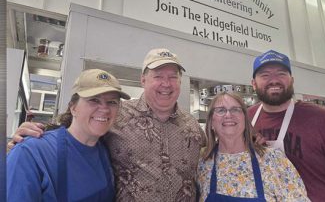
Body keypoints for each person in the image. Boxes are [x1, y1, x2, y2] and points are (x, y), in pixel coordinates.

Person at [8, 48, 206, 202]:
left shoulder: (193, 127)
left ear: (180, 82)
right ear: (143, 80)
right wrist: (28, 137)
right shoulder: (119, 114)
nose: (166, 83)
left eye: (173, 77)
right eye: (158, 77)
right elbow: (75, 128)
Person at [248, 50, 325, 202]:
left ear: (292, 80)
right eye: (265, 75)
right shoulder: (245, 119)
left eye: (281, 74)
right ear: (253, 83)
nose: (274, 80)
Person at [7, 69, 131, 201]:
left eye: (112, 102)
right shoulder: (31, 152)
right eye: (94, 100)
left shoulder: (106, 150)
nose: (105, 109)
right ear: (73, 108)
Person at [197, 92, 309, 201]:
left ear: (245, 120)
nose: (228, 115)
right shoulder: (202, 163)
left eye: (235, 109)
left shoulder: (273, 160)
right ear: (211, 122)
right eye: (221, 110)